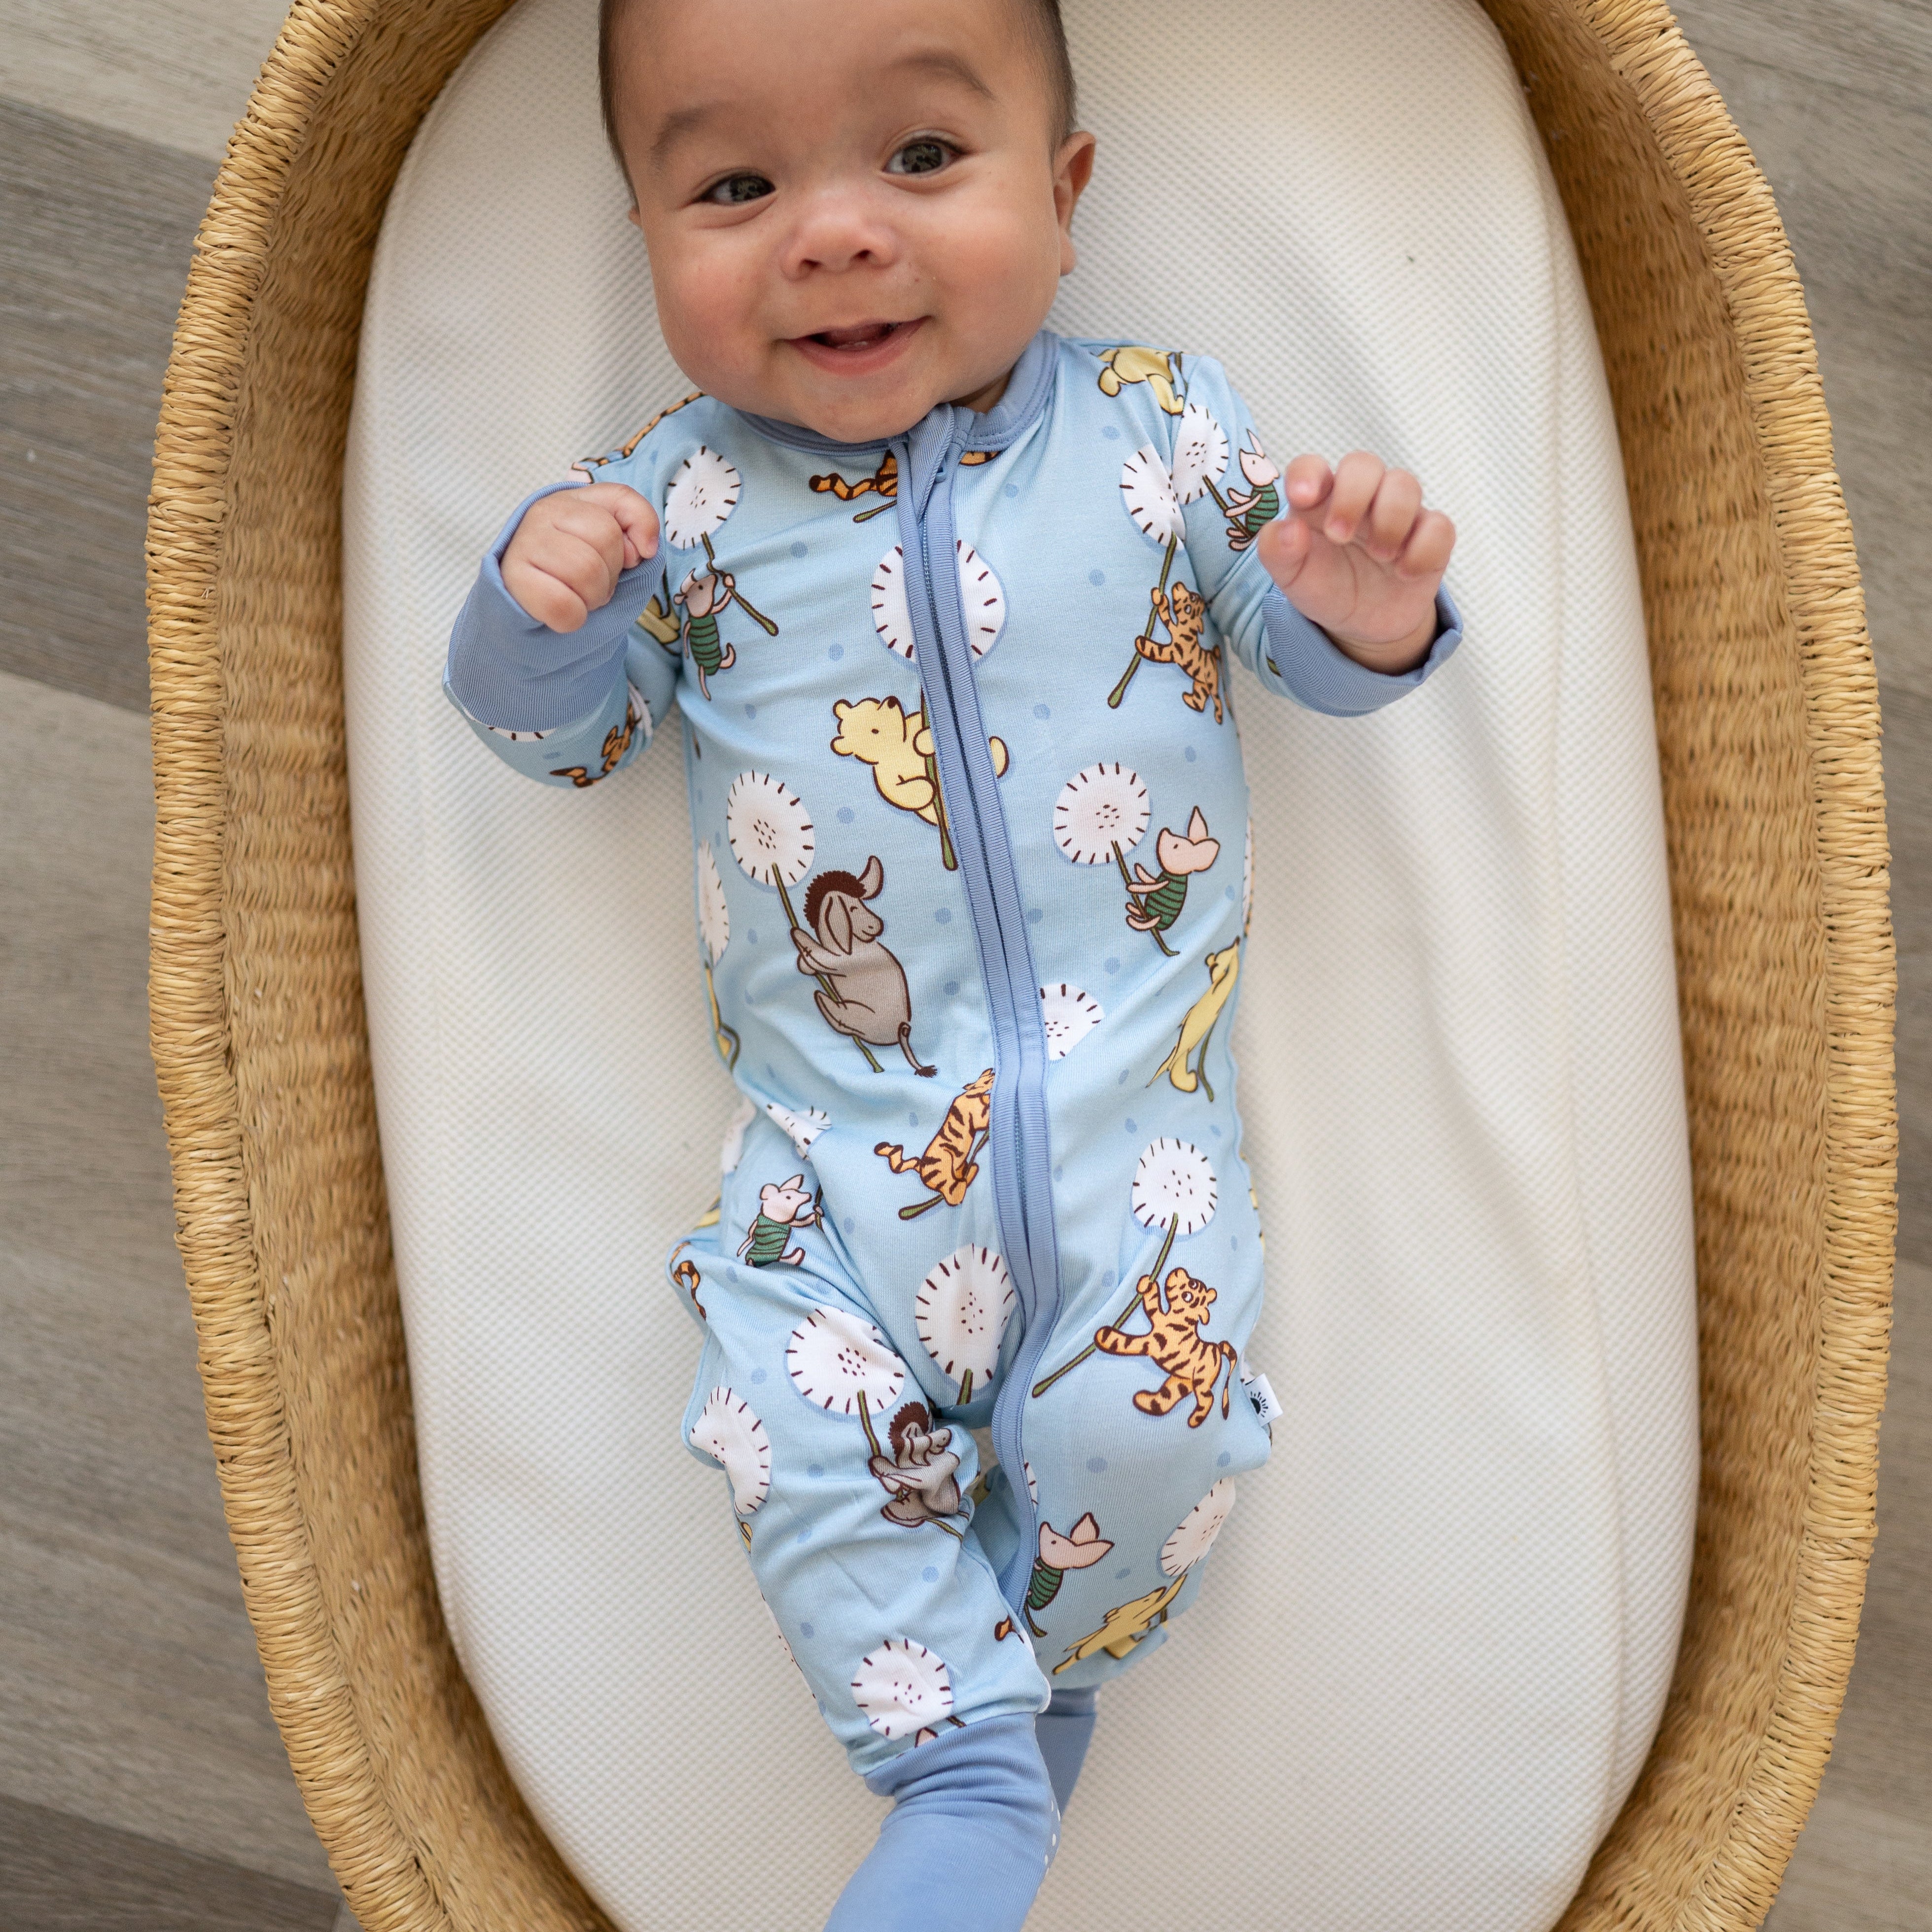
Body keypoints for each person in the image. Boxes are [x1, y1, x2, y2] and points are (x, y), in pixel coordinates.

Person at [445, 1, 1459, 1924]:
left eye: (920, 158)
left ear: (1065, 198)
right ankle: (966, 1767)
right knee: (774, 1408)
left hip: (1129, 1153)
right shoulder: (676, 503)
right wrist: (536, 612)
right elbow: (556, 740)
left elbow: (1295, 640)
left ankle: (1022, 1719)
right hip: (832, 1171)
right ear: (641, 231)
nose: (834, 233)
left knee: (1153, 1432)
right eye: (735, 187)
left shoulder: (1162, 429)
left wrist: (1361, 614)